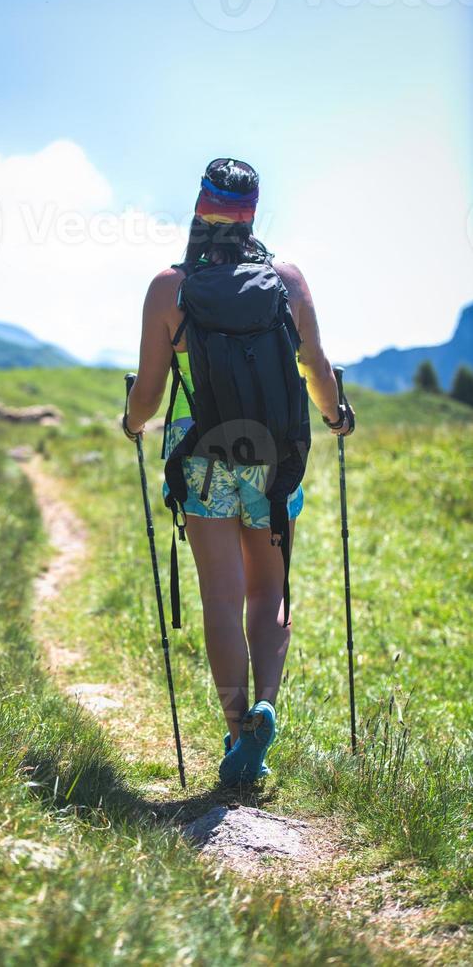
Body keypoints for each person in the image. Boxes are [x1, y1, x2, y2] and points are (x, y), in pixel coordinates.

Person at [124, 158, 354, 786]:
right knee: (269, 593)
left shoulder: (170, 289)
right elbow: (317, 370)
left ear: (200, 209)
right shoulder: (287, 281)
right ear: (253, 213)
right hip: (274, 459)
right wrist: (337, 417)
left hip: (201, 461)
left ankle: (236, 736)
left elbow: (147, 394)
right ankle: (266, 706)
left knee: (221, 598)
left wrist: (130, 421)